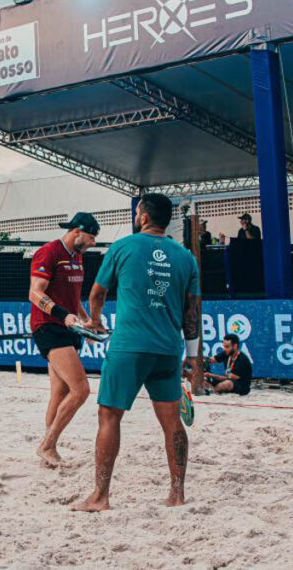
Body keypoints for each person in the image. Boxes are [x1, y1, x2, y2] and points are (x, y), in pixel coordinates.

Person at [74, 193, 200, 512]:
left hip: (129, 345)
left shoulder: (123, 246)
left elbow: (97, 293)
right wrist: (193, 355)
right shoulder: (186, 257)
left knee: (109, 415)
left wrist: (95, 322)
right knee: (172, 420)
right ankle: (177, 494)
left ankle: (100, 496)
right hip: (168, 349)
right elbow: (192, 310)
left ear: (143, 217)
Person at [27, 211, 100, 467]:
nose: (93, 243)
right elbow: (35, 293)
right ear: (77, 232)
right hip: (48, 326)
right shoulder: (49, 252)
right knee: (81, 390)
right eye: (91, 237)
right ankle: (47, 445)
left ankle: (49, 449)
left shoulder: (77, 256)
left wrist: (87, 321)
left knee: (60, 393)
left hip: (67, 327)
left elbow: (73, 298)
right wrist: (64, 315)